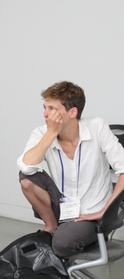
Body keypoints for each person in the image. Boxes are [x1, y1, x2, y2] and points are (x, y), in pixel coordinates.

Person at [17, 81, 124, 257]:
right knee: (27, 177)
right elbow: (26, 168)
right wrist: (51, 133)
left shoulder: (96, 127)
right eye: (45, 108)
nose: (45, 114)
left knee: (61, 243)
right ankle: (52, 226)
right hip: (62, 208)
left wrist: (105, 211)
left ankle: (66, 235)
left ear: (72, 112)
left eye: (52, 109)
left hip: (91, 214)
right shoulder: (42, 133)